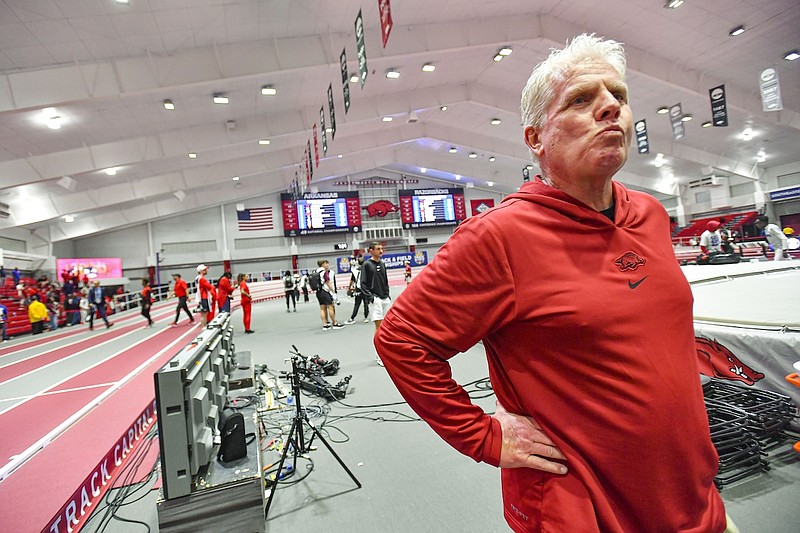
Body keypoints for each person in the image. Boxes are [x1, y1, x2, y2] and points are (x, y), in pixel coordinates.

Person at [374, 34, 731, 533]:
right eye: (582, 100)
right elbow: (400, 339)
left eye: (619, 96)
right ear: (535, 138)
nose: (610, 107)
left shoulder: (649, 214)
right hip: (586, 510)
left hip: (689, 495)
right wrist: (485, 437)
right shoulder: (499, 237)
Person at [360, 242, 391, 366]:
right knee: (379, 328)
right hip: (376, 299)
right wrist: (371, 298)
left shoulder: (382, 264)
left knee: (388, 328)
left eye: (381, 248)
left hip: (385, 299)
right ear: (371, 251)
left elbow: (385, 281)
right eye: (378, 249)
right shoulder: (367, 265)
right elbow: (363, 283)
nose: (381, 251)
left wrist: (387, 294)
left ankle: (387, 354)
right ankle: (379, 355)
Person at [314, 260, 344, 331]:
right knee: (330, 307)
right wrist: (333, 291)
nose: (327, 264)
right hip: (325, 291)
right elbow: (328, 282)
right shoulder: (324, 272)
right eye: (326, 263)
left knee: (322, 308)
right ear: (323, 264)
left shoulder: (315, 272)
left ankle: (325, 324)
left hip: (318, 292)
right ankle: (335, 323)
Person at [344, 255, 370, 325]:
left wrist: (349, 288)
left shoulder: (355, 271)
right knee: (366, 304)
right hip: (365, 289)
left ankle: (352, 318)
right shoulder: (367, 271)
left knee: (357, 304)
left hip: (358, 289)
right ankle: (366, 317)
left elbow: (351, 280)